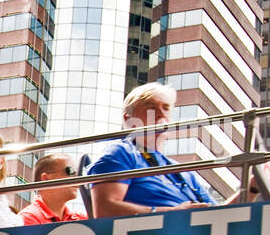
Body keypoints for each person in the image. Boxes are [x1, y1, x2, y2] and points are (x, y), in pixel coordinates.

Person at [86, 83, 216, 216]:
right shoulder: (122, 153)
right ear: (128, 119)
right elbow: (105, 210)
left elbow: (219, 215)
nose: (161, 114)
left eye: (166, 108)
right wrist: (173, 214)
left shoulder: (184, 173)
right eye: (151, 108)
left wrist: (239, 193)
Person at [18, 154, 88, 225]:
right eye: (70, 170)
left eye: (77, 172)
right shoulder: (29, 217)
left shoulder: (81, 218)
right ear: (45, 178)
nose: (77, 177)